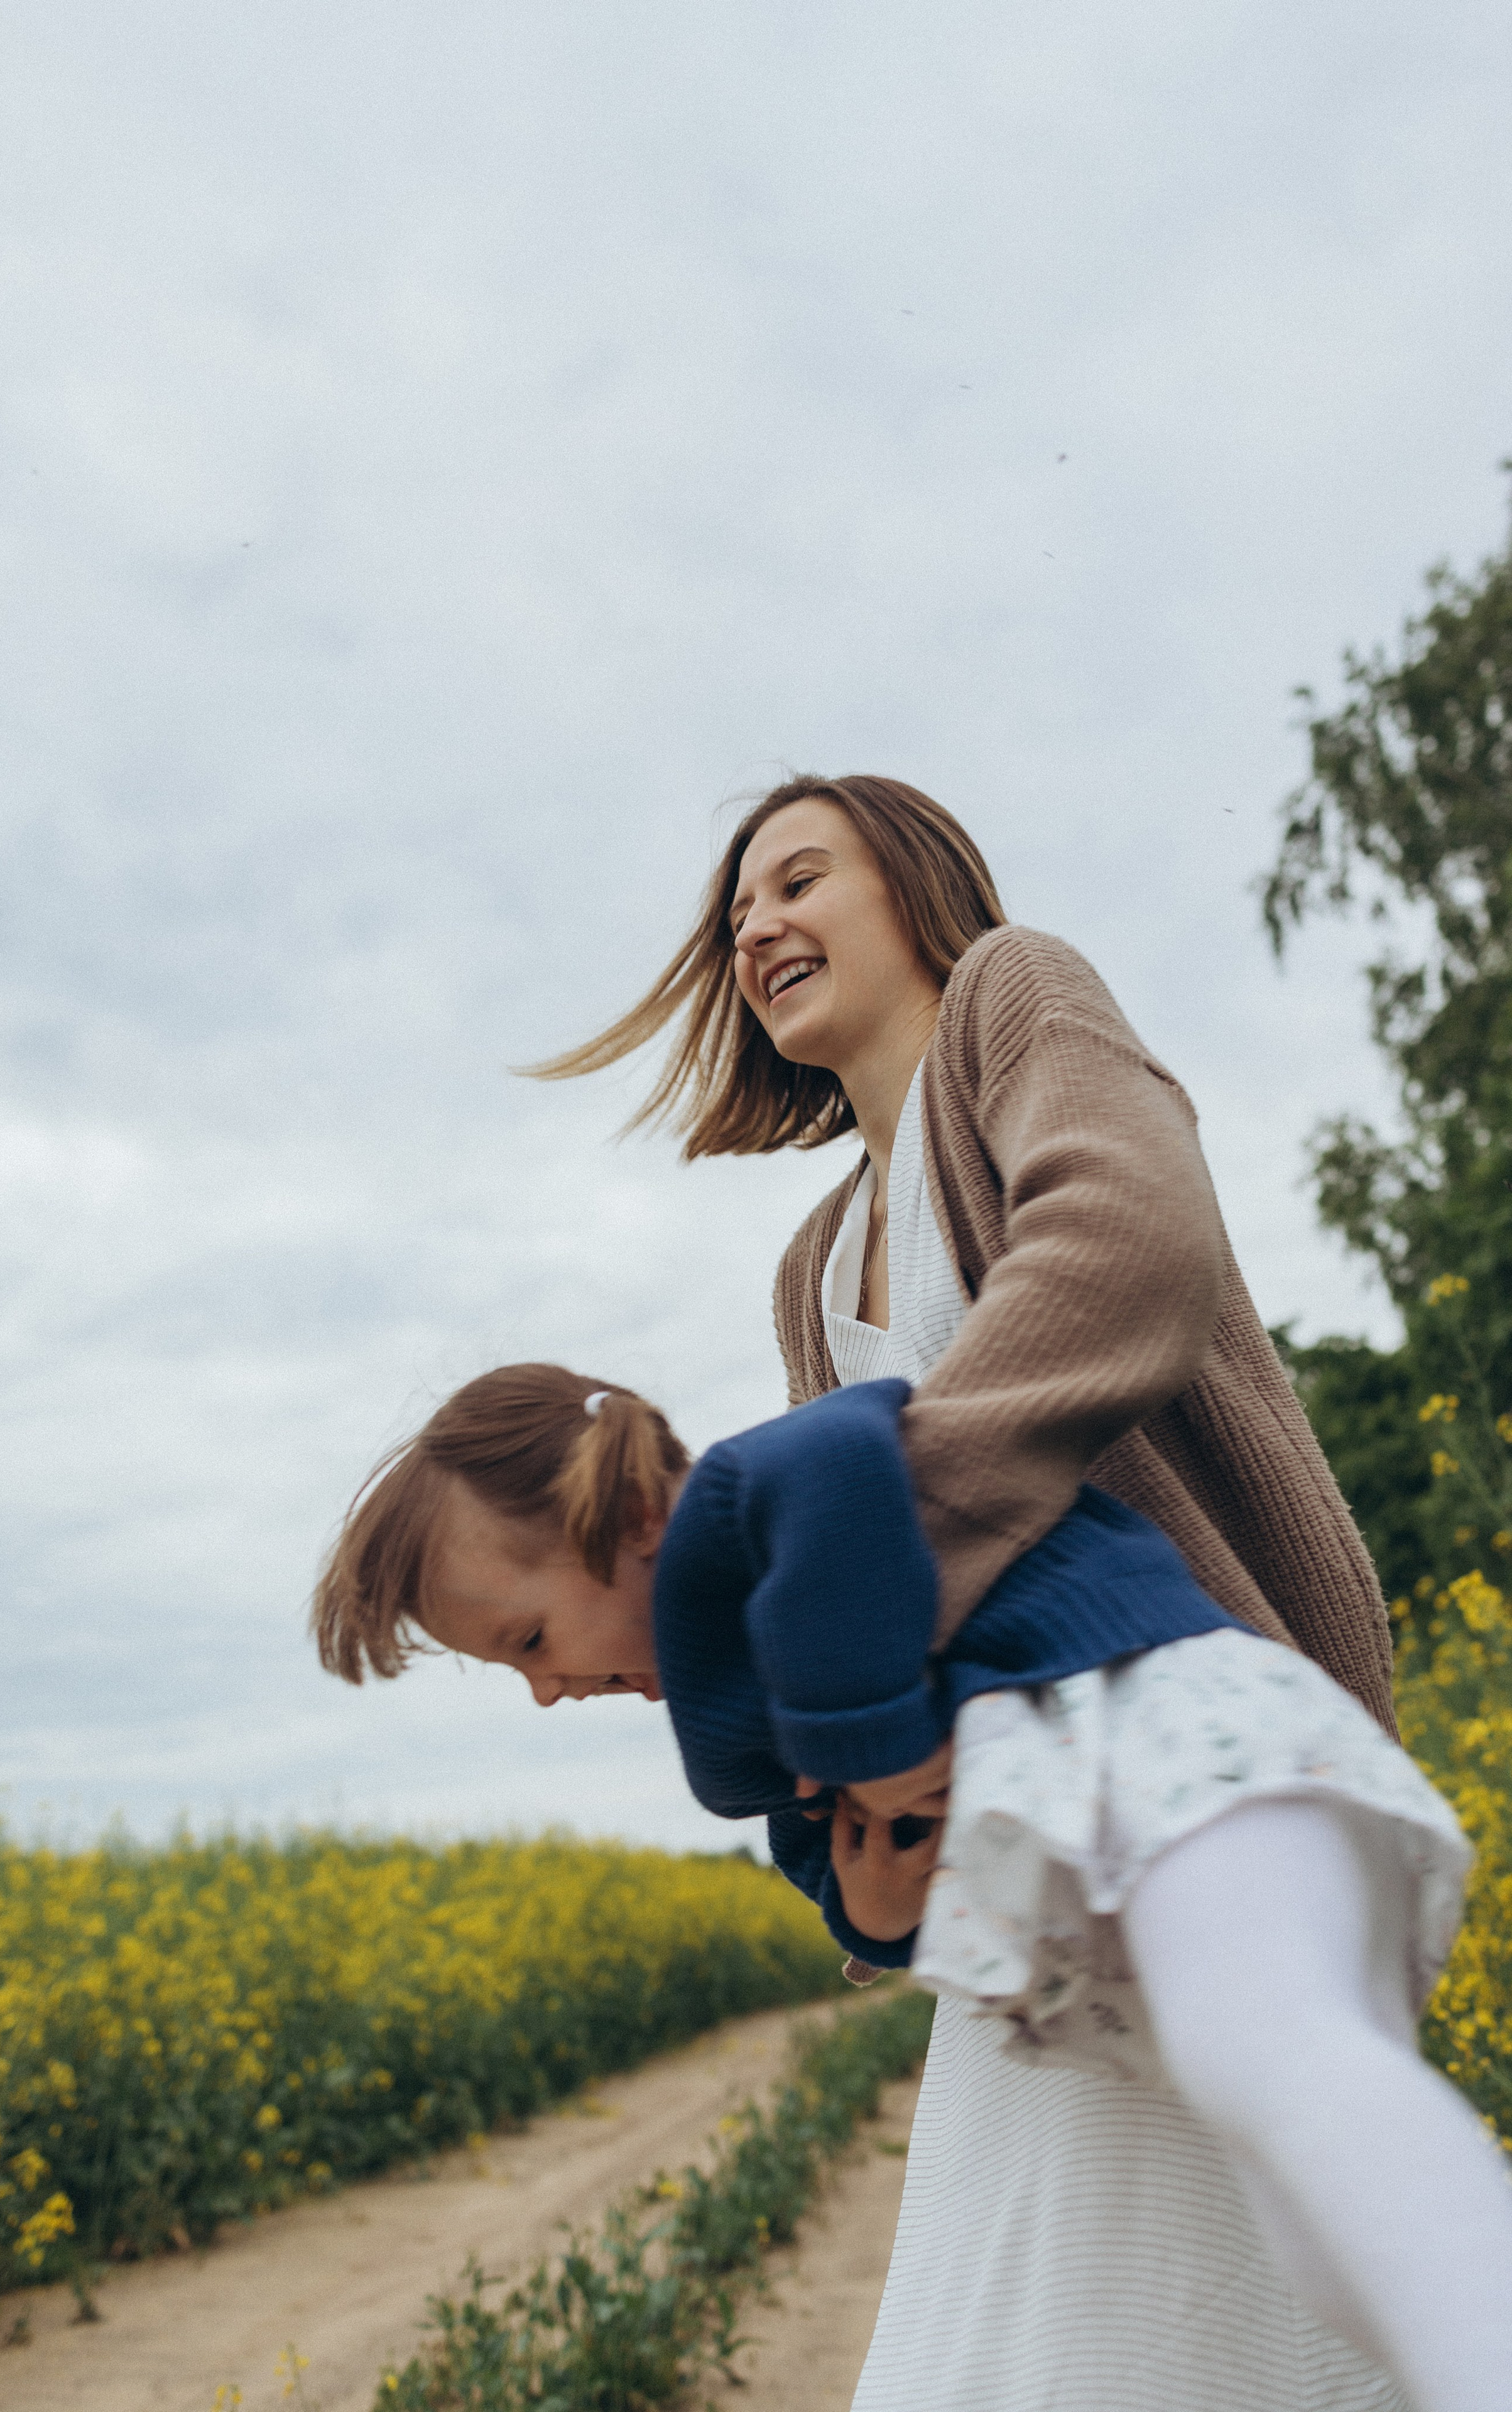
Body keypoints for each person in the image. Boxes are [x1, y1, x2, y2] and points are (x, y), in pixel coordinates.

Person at [516, 769, 1512, 2412]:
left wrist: (874, 1570)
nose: (757, 924)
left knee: (1295, 2180)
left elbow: (1133, 1248)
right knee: (1119, 2313)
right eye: (736, 912)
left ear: (916, 883)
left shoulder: (1015, 998)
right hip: (1042, 1835)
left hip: (1197, 1729)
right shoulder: (815, 1263)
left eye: (798, 878)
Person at [313, 1360, 1502, 2412]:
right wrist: (878, 1894)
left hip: (1174, 1750)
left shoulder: (751, 1505)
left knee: (1281, 2064)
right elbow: (856, 1899)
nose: (547, 1693)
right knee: (1310, 2229)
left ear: (627, 1513)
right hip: (1130, 1843)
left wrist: (871, 1740)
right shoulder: (745, 1733)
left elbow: (848, 1444)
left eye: (529, 1642)